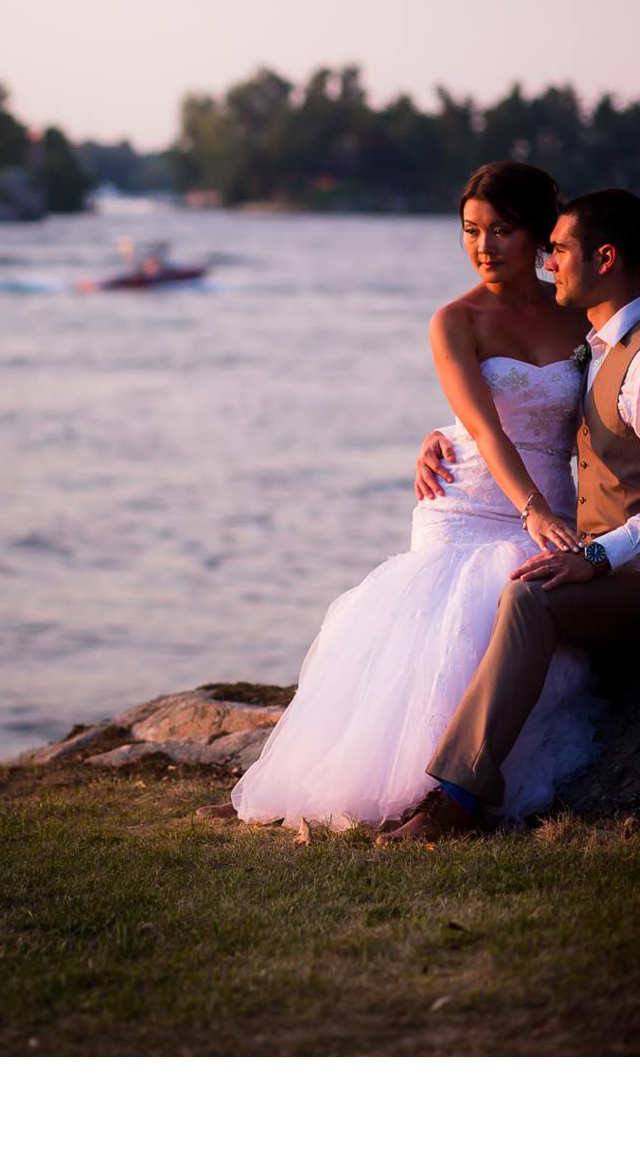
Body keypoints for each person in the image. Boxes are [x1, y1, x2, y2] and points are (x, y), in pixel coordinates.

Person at [195, 160, 602, 831]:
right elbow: (483, 426)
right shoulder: (454, 320)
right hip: (470, 501)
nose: (483, 247)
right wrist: (532, 507)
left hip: (549, 505)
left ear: (537, 236)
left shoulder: (579, 319)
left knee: (523, 613)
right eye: (471, 230)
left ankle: (458, 785)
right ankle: (415, 787)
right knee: (445, 629)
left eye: (501, 230)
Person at [377, 187, 640, 843]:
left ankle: (459, 798)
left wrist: (594, 556)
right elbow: (531, 413)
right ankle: (447, 786)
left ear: (606, 258)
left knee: (528, 598)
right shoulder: (595, 344)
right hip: (614, 561)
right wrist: (442, 435)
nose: (548, 262)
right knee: (528, 593)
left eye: (559, 250)